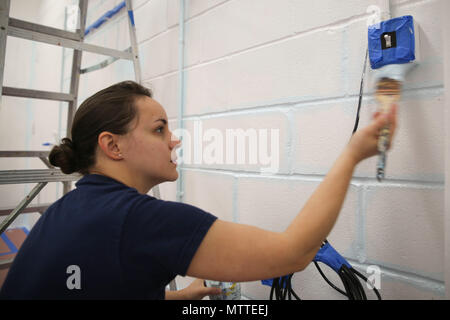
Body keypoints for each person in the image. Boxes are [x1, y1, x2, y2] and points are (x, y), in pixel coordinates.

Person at [0, 80, 397, 300]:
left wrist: (179, 297)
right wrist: (352, 154)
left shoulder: (67, 208)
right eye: (160, 129)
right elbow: (293, 254)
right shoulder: (141, 219)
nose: (174, 141)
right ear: (113, 146)